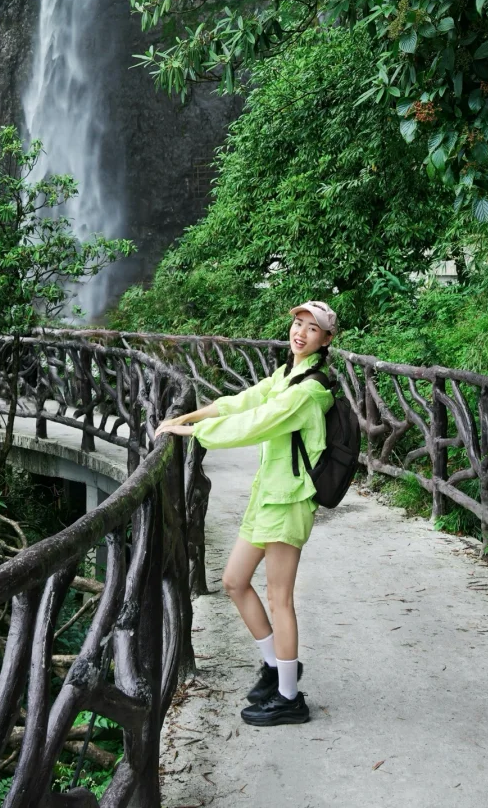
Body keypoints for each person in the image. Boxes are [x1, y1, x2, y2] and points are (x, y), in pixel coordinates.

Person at [155, 299, 337, 726]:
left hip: (289, 502)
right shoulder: (288, 374)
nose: (300, 332)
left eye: (312, 328)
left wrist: (195, 433)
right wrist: (187, 416)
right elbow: (241, 402)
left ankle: (290, 699)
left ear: (327, 339)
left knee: (280, 599)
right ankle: (277, 669)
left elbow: (256, 423)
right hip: (266, 497)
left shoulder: (310, 391)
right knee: (234, 581)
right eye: (298, 323)